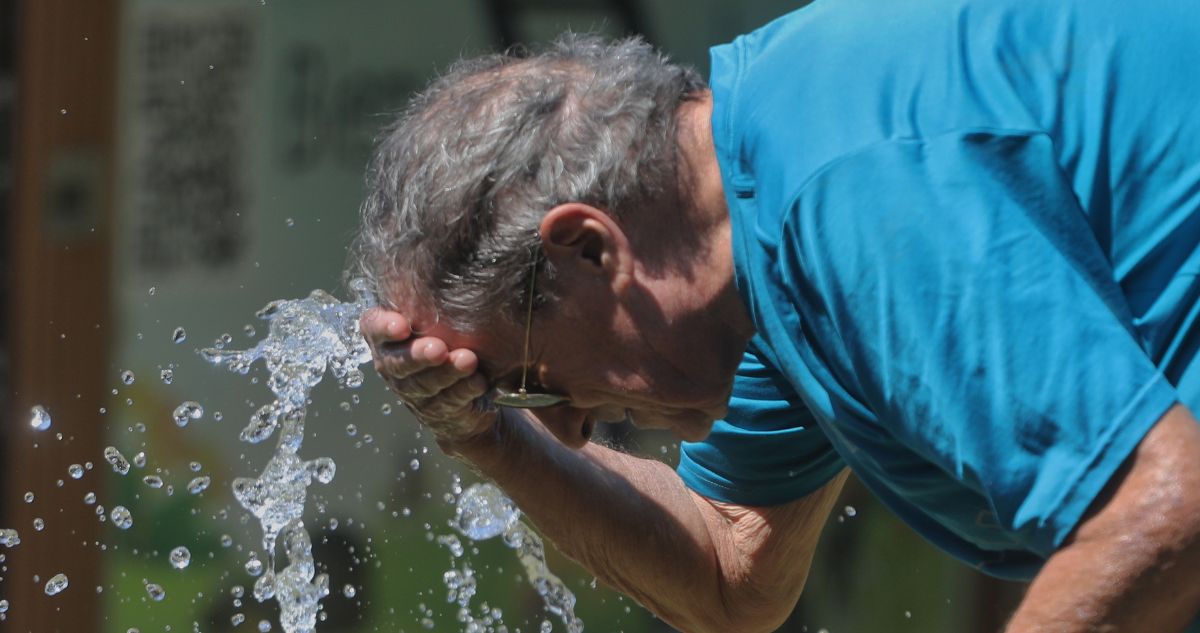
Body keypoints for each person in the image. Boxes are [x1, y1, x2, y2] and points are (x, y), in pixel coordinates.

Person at [352, 0, 1200, 630]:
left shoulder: (849, 195)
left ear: (588, 249)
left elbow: (1167, 505)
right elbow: (729, 573)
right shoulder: (760, 219)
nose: (570, 429)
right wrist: (488, 435)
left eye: (531, 385)